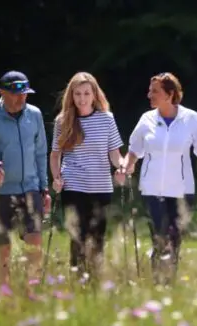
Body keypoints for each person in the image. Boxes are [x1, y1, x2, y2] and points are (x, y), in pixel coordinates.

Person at [122, 72, 197, 283]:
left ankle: (169, 280)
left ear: (169, 94)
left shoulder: (190, 118)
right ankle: (159, 281)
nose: (149, 95)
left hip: (182, 190)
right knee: (160, 235)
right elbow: (135, 149)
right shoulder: (146, 119)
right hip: (152, 189)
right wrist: (125, 166)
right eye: (150, 90)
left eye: (154, 91)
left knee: (174, 239)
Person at [0, 71, 51, 289]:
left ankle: (32, 292)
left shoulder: (34, 115)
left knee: (34, 241)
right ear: (2, 93)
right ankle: (3, 296)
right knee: (2, 249)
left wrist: (44, 188)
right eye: (15, 94)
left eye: (24, 94)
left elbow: (41, 153)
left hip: (30, 188)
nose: (21, 99)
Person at [50, 72, 126, 276]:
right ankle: (77, 276)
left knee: (97, 236)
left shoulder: (106, 119)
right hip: (74, 184)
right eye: (77, 94)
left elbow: (114, 153)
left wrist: (121, 167)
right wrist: (56, 177)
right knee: (78, 235)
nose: (82, 99)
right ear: (71, 96)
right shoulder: (63, 121)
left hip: (100, 185)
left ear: (94, 95)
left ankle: (94, 278)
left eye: (86, 93)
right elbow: (55, 155)